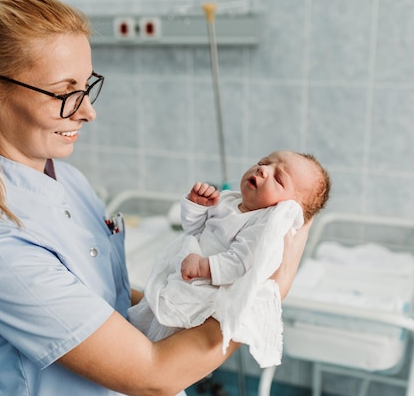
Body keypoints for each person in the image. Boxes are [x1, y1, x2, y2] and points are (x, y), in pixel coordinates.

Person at [0, 0, 311, 396]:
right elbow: (155, 375)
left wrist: (192, 297)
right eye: (64, 92)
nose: (88, 111)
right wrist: (264, 290)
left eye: (87, 85)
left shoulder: (66, 180)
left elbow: (106, 298)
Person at [129, 150, 330, 367]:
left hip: (203, 286)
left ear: (288, 210)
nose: (263, 169)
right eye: (264, 162)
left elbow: (239, 264)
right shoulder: (228, 200)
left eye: (278, 178)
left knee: (156, 339)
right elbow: (195, 231)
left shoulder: (263, 227)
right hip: (186, 273)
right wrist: (196, 207)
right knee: (140, 324)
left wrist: (202, 266)